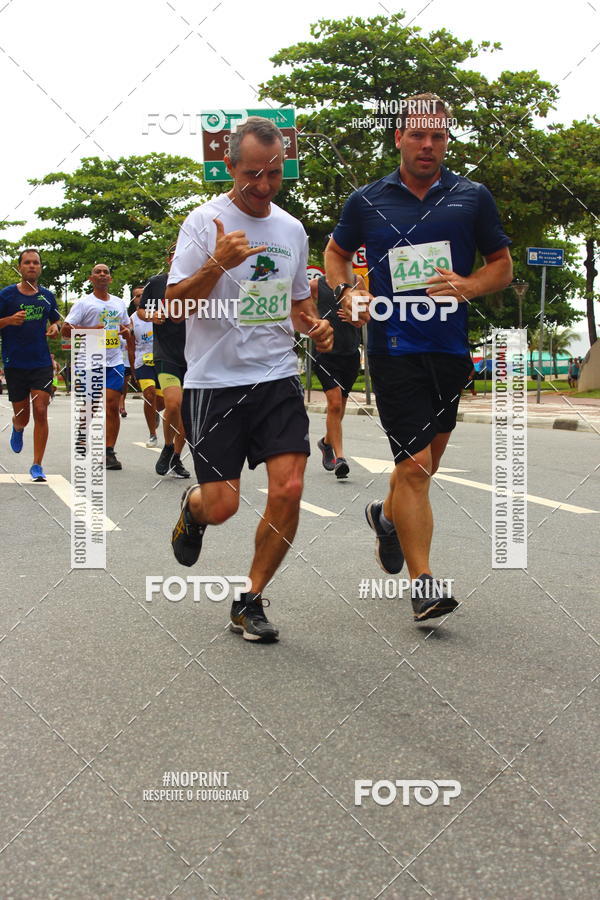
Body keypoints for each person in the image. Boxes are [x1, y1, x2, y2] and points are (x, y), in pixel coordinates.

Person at [326, 92, 513, 622]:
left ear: (446, 140)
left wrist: (470, 285)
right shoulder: (367, 200)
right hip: (393, 348)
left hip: (449, 349)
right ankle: (424, 583)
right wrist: (347, 292)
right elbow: (336, 253)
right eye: (418, 135)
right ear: (399, 138)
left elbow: (501, 265)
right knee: (413, 466)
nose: (427, 144)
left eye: (438, 136)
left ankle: (386, 518)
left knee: (424, 466)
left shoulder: (471, 197)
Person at [165, 116, 333, 643]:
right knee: (223, 505)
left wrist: (316, 326)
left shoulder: (291, 229)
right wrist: (215, 265)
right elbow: (173, 305)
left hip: (277, 375)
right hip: (214, 382)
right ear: (230, 167)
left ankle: (250, 599)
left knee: (290, 487)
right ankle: (194, 509)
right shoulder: (202, 223)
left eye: (274, 173)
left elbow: (298, 303)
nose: (263, 185)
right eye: (252, 174)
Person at [62, 263, 133, 470]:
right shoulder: (84, 303)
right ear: (91, 279)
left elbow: (126, 326)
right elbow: (66, 330)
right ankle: (82, 436)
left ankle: (109, 452)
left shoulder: (119, 303)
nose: (102, 274)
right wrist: (91, 330)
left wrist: (127, 332)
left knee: (111, 405)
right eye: (97, 272)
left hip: (114, 361)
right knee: (90, 406)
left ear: (110, 279)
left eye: (106, 272)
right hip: (89, 361)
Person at [0, 248, 60, 481]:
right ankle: (17, 426)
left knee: (41, 410)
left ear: (40, 268)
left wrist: (54, 327)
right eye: (27, 262)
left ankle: (37, 465)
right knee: (23, 416)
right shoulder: (6, 295)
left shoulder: (47, 296)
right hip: (15, 363)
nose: (32, 266)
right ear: (20, 267)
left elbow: (56, 321)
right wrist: (8, 320)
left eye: (36, 262)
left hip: (41, 362)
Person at [138, 248, 190, 478]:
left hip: (194, 356)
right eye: (175, 255)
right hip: (166, 354)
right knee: (173, 404)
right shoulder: (156, 283)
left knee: (186, 414)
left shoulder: (199, 282)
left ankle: (176, 457)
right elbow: (141, 310)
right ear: (169, 259)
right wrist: (151, 316)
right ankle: (168, 446)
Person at [311, 273, 363, 479]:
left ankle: (326, 443)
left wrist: (357, 318)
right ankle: (340, 458)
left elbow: (364, 315)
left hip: (350, 353)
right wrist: (315, 323)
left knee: (339, 407)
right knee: (334, 404)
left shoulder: (357, 281)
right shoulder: (315, 285)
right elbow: (302, 310)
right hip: (325, 354)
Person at [131, 305, 165, 447]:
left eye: (143, 295)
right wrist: (132, 368)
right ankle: (152, 434)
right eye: (137, 296)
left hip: (162, 360)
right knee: (150, 394)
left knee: (162, 401)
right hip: (143, 362)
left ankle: (155, 411)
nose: (140, 298)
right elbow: (130, 346)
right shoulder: (133, 319)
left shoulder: (162, 314)